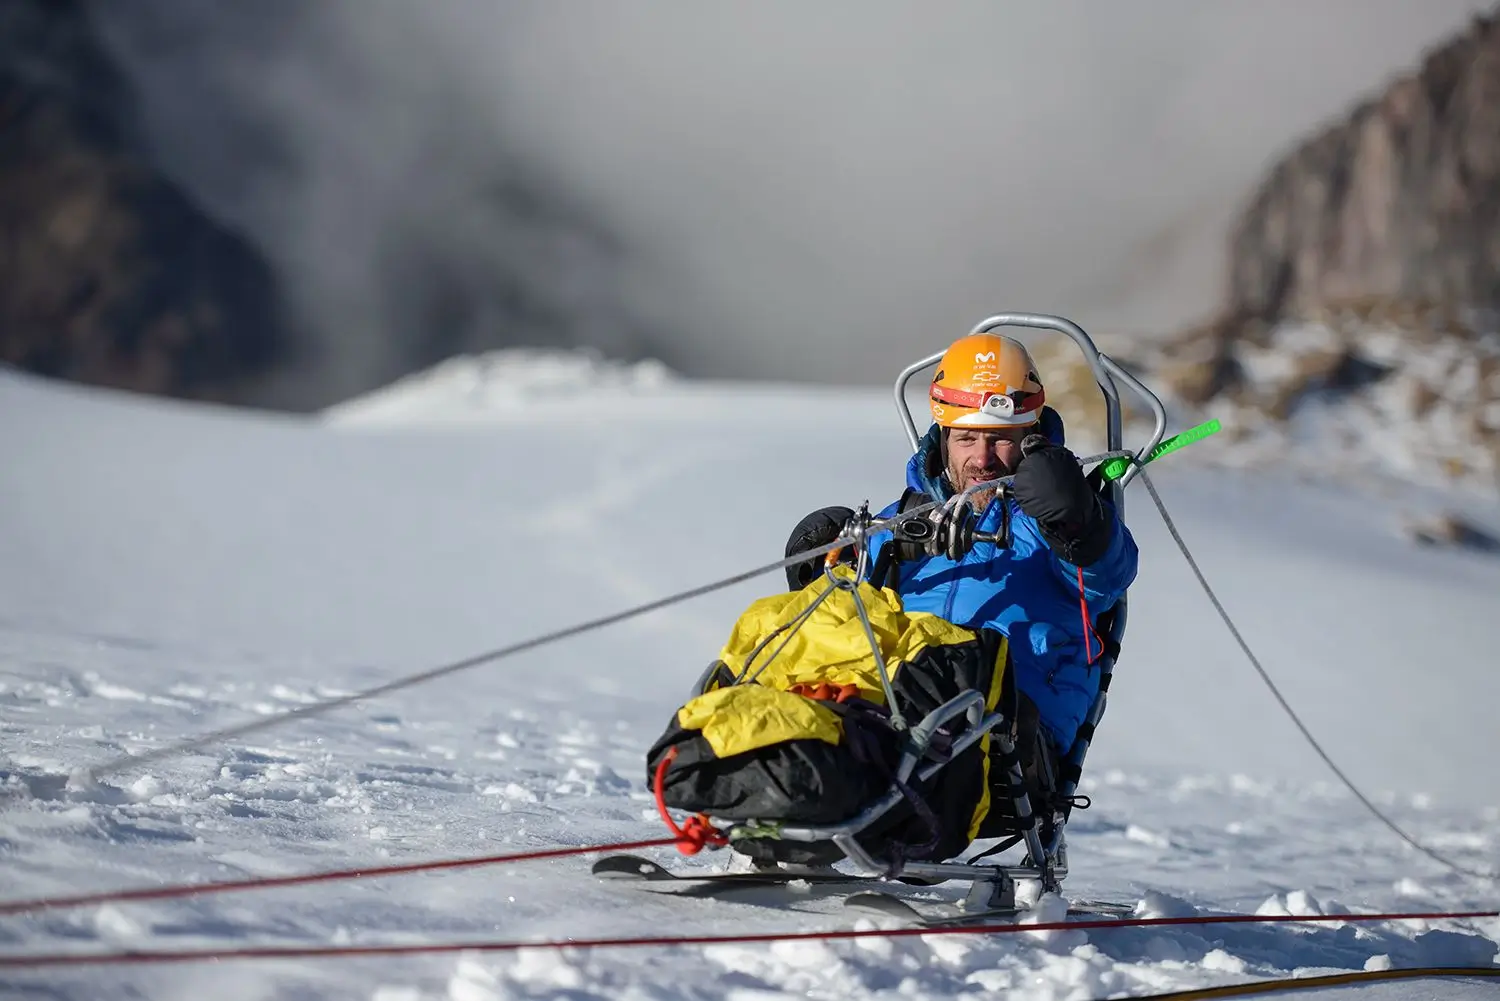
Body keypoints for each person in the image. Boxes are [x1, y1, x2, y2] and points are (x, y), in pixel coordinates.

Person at [783, 332, 1139, 764]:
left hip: (1005, 731)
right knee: (771, 647)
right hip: (886, 708)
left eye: (1000, 438)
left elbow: (1108, 576)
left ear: (1031, 434)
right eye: (967, 439)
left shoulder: (1059, 517)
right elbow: (852, 606)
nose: (983, 459)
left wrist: (1076, 520)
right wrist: (825, 569)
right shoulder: (906, 517)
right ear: (943, 437)